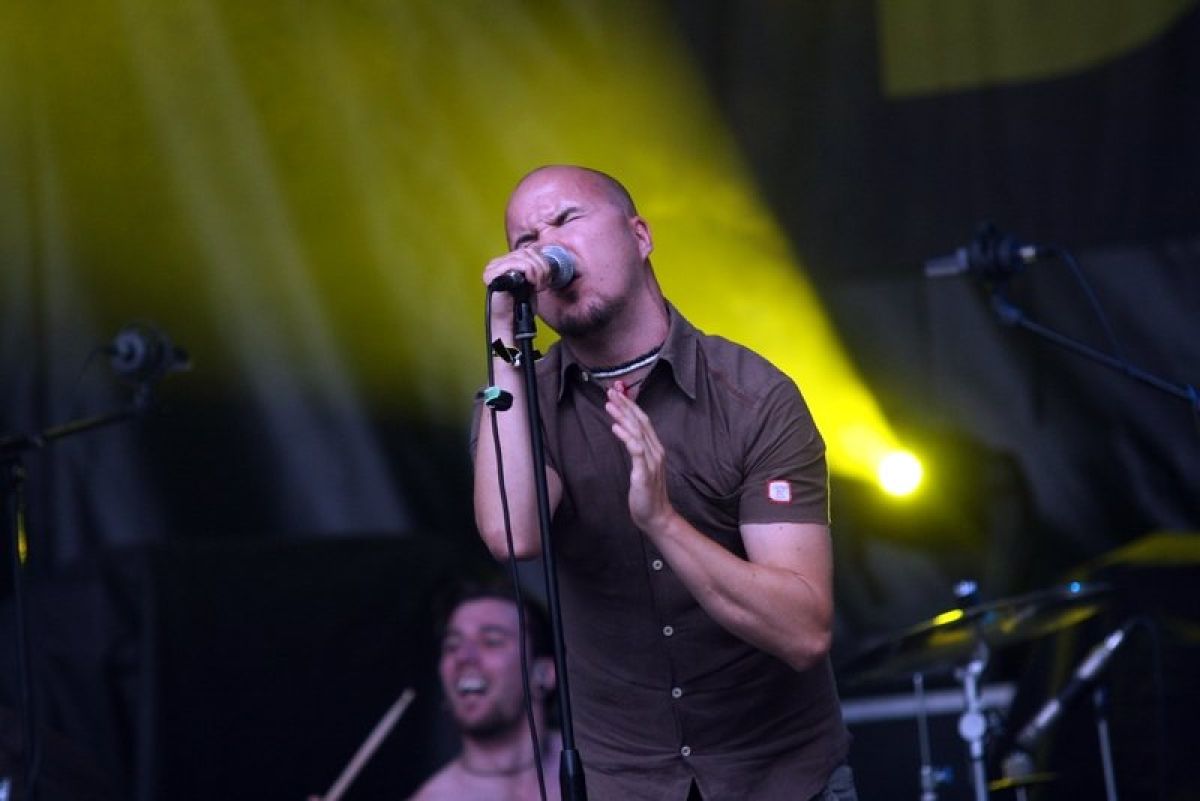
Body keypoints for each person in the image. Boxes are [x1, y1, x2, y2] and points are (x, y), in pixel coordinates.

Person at [473, 165, 856, 800]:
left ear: (640, 236)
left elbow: (803, 632)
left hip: (777, 779)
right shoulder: (515, 401)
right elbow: (513, 534)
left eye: (566, 220)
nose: (545, 249)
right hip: (624, 782)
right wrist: (500, 337)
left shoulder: (752, 398)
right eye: (526, 240)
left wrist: (663, 523)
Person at [407, 581, 562, 801]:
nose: (463, 657)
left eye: (491, 641)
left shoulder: (600, 765)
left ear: (544, 674)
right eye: (452, 646)